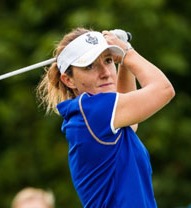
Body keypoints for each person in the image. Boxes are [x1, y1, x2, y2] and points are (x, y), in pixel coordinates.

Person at [36, 27, 175, 207]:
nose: (106, 72)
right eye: (89, 66)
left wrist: (124, 60)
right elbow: (164, 90)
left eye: (108, 60)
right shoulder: (92, 111)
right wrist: (127, 53)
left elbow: (131, 122)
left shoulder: (94, 117)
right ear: (68, 80)